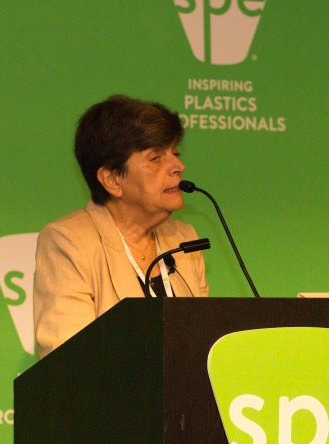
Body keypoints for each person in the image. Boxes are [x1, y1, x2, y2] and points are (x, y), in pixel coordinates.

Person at [33, 95, 209, 358]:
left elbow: (206, 341)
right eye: (155, 158)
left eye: (175, 154)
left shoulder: (183, 238)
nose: (178, 166)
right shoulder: (69, 241)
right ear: (112, 179)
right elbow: (68, 360)